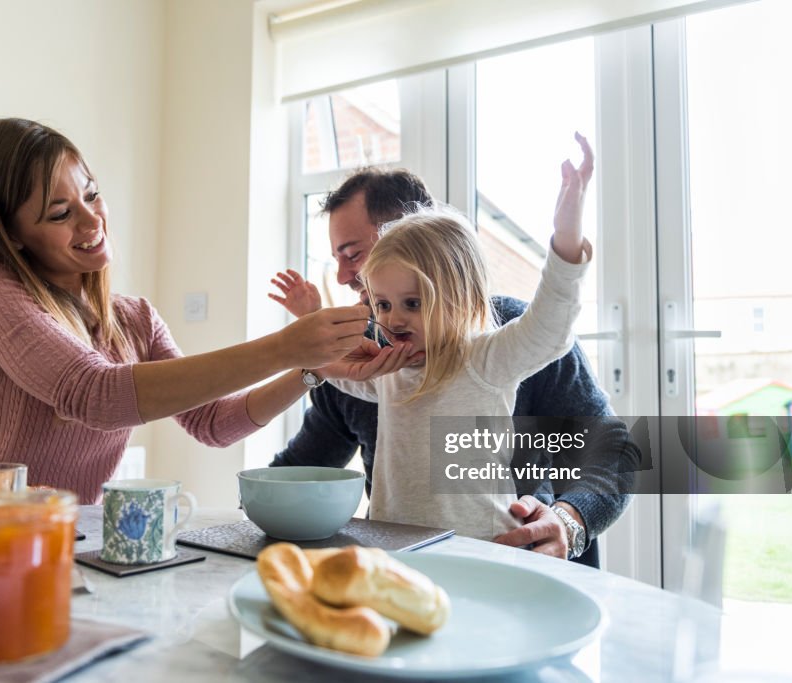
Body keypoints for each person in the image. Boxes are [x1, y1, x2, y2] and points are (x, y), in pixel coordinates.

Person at [0, 117, 376, 504]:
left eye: (92, 194)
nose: (92, 220)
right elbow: (94, 395)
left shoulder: (135, 318)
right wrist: (285, 348)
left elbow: (213, 423)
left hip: (77, 537)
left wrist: (308, 367)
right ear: (12, 235)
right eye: (61, 213)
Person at [269, 138, 639, 565]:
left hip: (501, 558)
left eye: (355, 255)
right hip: (401, 560)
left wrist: (570, 521)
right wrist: (310, 331)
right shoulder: (373, 360)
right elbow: (303, 461)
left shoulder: (501, 345)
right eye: (384, 301)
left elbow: (613, 448)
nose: (345, 275)